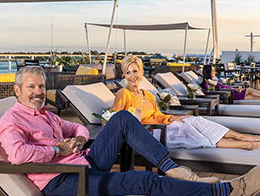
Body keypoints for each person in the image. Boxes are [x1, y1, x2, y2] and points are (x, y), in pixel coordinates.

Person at [0, 66, 260, 196]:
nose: (38, 92)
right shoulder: (11, 120)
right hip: (64, 179)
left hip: (84, 161)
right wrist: (58, 150)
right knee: (140, 181)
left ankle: (174, 169)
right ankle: (229, 191)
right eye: (31, 87)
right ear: (17, 91)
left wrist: (77, 139)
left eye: (41, 86)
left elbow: (76, 127)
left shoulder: (48, 114)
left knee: (123, 118)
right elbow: (19, 154)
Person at [110, 56, 260, 150]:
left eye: (135, 71)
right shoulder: (124, 93)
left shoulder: (148, 95)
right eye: (128, 72)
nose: (132, 76)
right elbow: (114, 119)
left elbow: (158, 115)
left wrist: (173, 118)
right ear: (124, 75)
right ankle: (243, 140)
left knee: (195, 121)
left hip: (162, 126)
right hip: (151, 133)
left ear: (141, 72)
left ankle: (245, 141)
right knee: (192, 127)